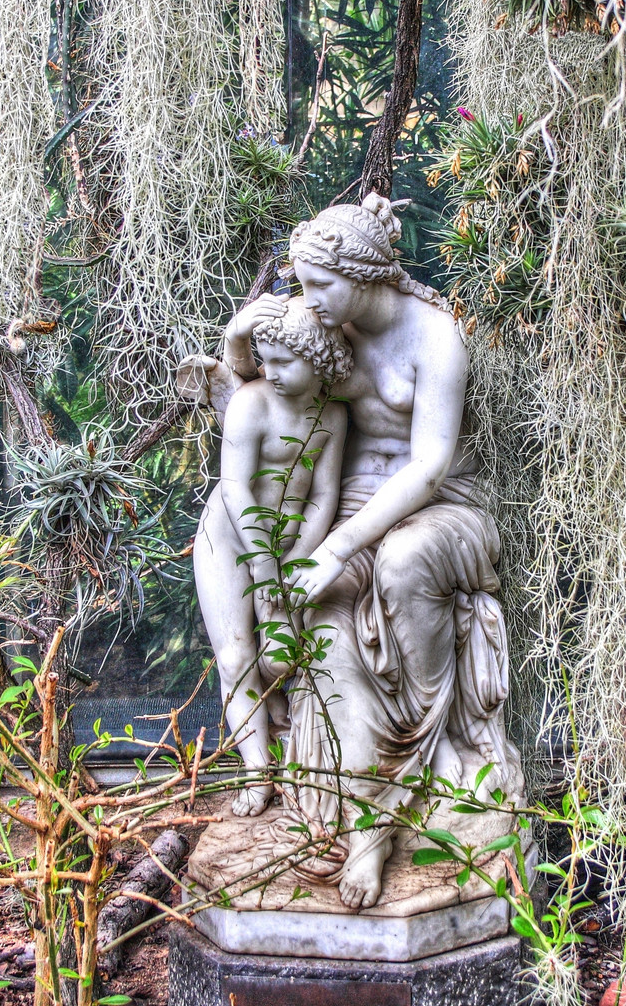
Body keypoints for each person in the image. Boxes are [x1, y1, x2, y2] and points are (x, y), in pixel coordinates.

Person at [220, 194, 520, 910]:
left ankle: (435, 742)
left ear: (364, 273)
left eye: (318, 284)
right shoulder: (329, 327)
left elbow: (429, 467)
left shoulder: (435, 336)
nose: (307, 298)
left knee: (402, 562)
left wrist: (340, 544)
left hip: (446, 509)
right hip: (348, 505)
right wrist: (239, 334)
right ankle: (369, 832)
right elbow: (256, 373)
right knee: (325, 627)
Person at [194, 297, 350, 818]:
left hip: (290, 549)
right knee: (236, 658)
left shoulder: (333, 415)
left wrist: (298, 559)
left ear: (320, 357)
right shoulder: (252, 404)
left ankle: (299, 759)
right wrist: (264, 563)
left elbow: (323, 496)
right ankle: (258, 772)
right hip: (232, 538)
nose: (270, 372)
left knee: (283, 659)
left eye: (285, 361)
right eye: (264, 359)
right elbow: (235, 488)